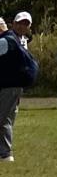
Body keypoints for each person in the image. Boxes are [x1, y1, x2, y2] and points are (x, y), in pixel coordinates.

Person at [0, 14, 39, 162]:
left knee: (3, 119)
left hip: (9, 86)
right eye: (20, 23)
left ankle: (5, 153)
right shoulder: (13, 39)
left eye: (26, 24)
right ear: (12, 24)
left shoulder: (7, 41)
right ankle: (5, 153)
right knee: (6, 119)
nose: (23, 26)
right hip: (12, 86)